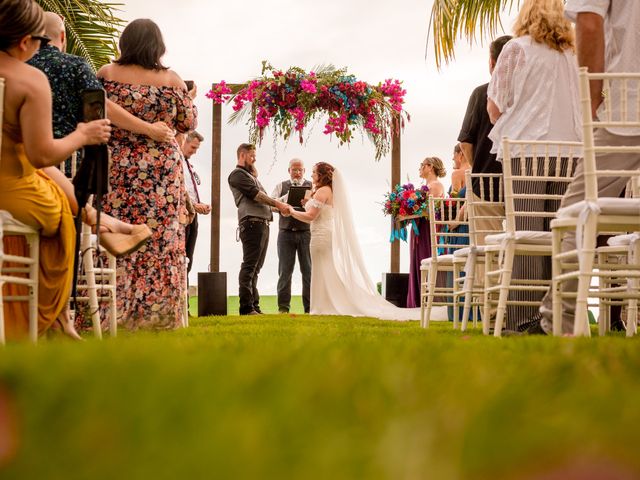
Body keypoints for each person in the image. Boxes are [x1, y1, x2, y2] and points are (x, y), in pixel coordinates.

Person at [0, 0, 149, 340]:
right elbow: (44, 151)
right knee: (64, 218)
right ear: (25, 41)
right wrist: (83, 134)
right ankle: (53, 319)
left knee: (46, 177)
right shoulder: (30, 79)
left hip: (24, 169)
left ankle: (108, 223)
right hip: (22, 183)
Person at [527, 1, 640, 335]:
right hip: (626, 105)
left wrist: (590, 102)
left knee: (573, 216)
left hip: (627, 107)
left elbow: (589, 24)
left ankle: (559, 323)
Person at [486, 0, 581, 330]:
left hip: (527, 151)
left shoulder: (517, 49)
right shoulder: (574, 55)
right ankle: (557, 318)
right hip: (571, 152)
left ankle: (523, 318)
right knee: (560, 236)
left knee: (526, 235)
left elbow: (495, 106)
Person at [96, 18, 197, 330]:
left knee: (118, 235)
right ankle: (161, 318)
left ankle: (112, 314)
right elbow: (187, 124)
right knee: (161, 241)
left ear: (125, 43)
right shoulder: (173, 80)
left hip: (118, 167)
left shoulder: (106, 74)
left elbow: (94, 107)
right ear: (158, 45)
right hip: (161, 172)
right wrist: (189, 100)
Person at [27, 12, 173, 178]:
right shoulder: (75, 66)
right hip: (67, 165)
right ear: (62, 36)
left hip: (21, 163)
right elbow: (103, 107)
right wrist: (150, 129)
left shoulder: (17, 65)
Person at [285, 162, 424, 320]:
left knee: (323, 270)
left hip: (321, 236)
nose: (311, 175)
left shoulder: (323, 191)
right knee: (326, 270)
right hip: (324, 234)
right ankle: (325, 304)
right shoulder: (330, 191)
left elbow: (311, 216)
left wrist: (291, 211)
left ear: (321, 175)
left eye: (314, 172)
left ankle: (323, 305)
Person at [229, 144, 289, 315]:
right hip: (251, 223)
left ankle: (254, 306)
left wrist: (285, 208)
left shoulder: (249, 175)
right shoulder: (237, 175)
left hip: (262, 223)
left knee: (257, 267)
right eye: (252, 156)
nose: (254, 159)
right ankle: (246, 307)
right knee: (249, 265)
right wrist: (278, 203)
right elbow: (257, 195)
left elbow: (264, 200)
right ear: (242, 155)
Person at [458, 35, 511, 207]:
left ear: (492, 62)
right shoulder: (528, 94)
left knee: (484, 235)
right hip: (521, 186)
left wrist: (479, 167)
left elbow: (465, 143)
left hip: (485, 186)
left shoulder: (481, 93)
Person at [271, 158, 312, 314]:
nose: (297, 173)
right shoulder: (281, 186)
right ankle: (283, 309)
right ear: (289, 170)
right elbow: (271, 204)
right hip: (285, 233)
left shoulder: (310, 186)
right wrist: (282, 204)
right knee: (285, 272)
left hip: (305, 233)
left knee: (308, 271)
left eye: (300, 170)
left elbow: (316, 206)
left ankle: (309, 308)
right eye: (294, 169)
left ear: (304, 171)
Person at [406, 157, 446, 308]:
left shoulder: (435, 185)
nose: (420, 168)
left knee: (425, 258)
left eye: (422, 165)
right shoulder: (426, 186)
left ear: (430, 167)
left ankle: (430, 300)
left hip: (428, 229)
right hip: (419, 228)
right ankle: (418, 299)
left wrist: (412, 208)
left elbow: (430, 209)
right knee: (417, 260)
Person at [181, 130, 210, 281]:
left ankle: (184, 294)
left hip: (193, 215)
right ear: (183, 140)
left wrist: (199, 205)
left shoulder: (187, 163)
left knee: (189, 257)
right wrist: (193, 205)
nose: (194, 152)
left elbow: (189, 190)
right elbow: (179, 190)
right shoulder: (176, 161)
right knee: (182, 256)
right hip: (182, 214)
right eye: (193, 147)